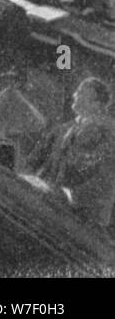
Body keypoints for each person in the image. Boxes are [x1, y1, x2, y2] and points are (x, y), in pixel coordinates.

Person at [24, 77, 115, 228]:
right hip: (57, 206)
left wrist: (62, 192)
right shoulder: (64, 129)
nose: (74, 95)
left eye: (80, 93)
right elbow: (38, 159)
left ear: (96, 104)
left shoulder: (108, 131)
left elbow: (94, 170)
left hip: (86, 213)